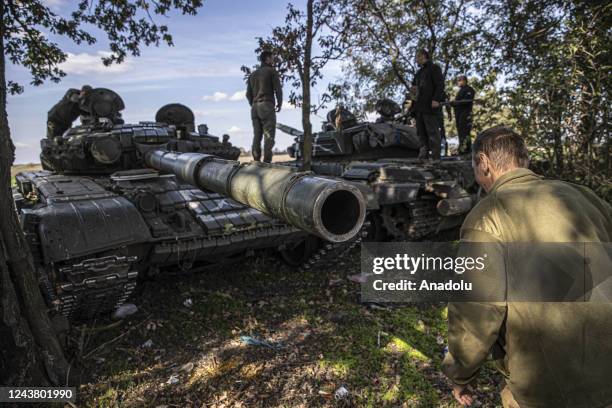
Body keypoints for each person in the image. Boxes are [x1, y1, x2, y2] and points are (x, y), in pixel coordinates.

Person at [442, 126, 612, 407]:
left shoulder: (488, 216)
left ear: (483, 163)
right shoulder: (586, 197)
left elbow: (478, 306)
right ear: (524, 160)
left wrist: (460, 373)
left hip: (554, 387)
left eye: (474, 166)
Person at [246, 50, 282, 163]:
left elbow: (248, 94)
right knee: (269, 135)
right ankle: (267, 162)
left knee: (257, 135)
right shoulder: (271, 71)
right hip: (266, 105)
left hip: (254, 108)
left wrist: (254, 104)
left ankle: (256, 160)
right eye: (272, 57)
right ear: (267, 58)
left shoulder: (252, 74)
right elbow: (278, 90)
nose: (273, 60)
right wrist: (279, 103)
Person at [411, 49, 445, 160]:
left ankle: (435, 156)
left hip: (430, 106)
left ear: (423, 56)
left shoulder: (434, 68)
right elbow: (414, 91)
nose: (416, 59)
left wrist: (436, 99)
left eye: (417, 57)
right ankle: (423, 155)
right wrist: (412, 107)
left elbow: (440, 84)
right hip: (419, 108)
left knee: (433, 132)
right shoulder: (418, 74)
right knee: (421, 132)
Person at [451, 75, 475, 154]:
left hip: (466, 114)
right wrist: (452, 103)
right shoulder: (460, 91)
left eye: (460, 80)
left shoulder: (469, 89)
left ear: (464, 81)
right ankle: (462, 149)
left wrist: (456, 102)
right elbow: (458, 102)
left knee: (465, 131)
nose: (458, 82)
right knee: (460, 131)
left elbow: (467, 100)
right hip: (459, 114)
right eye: (458, 80)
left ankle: (466, 150)